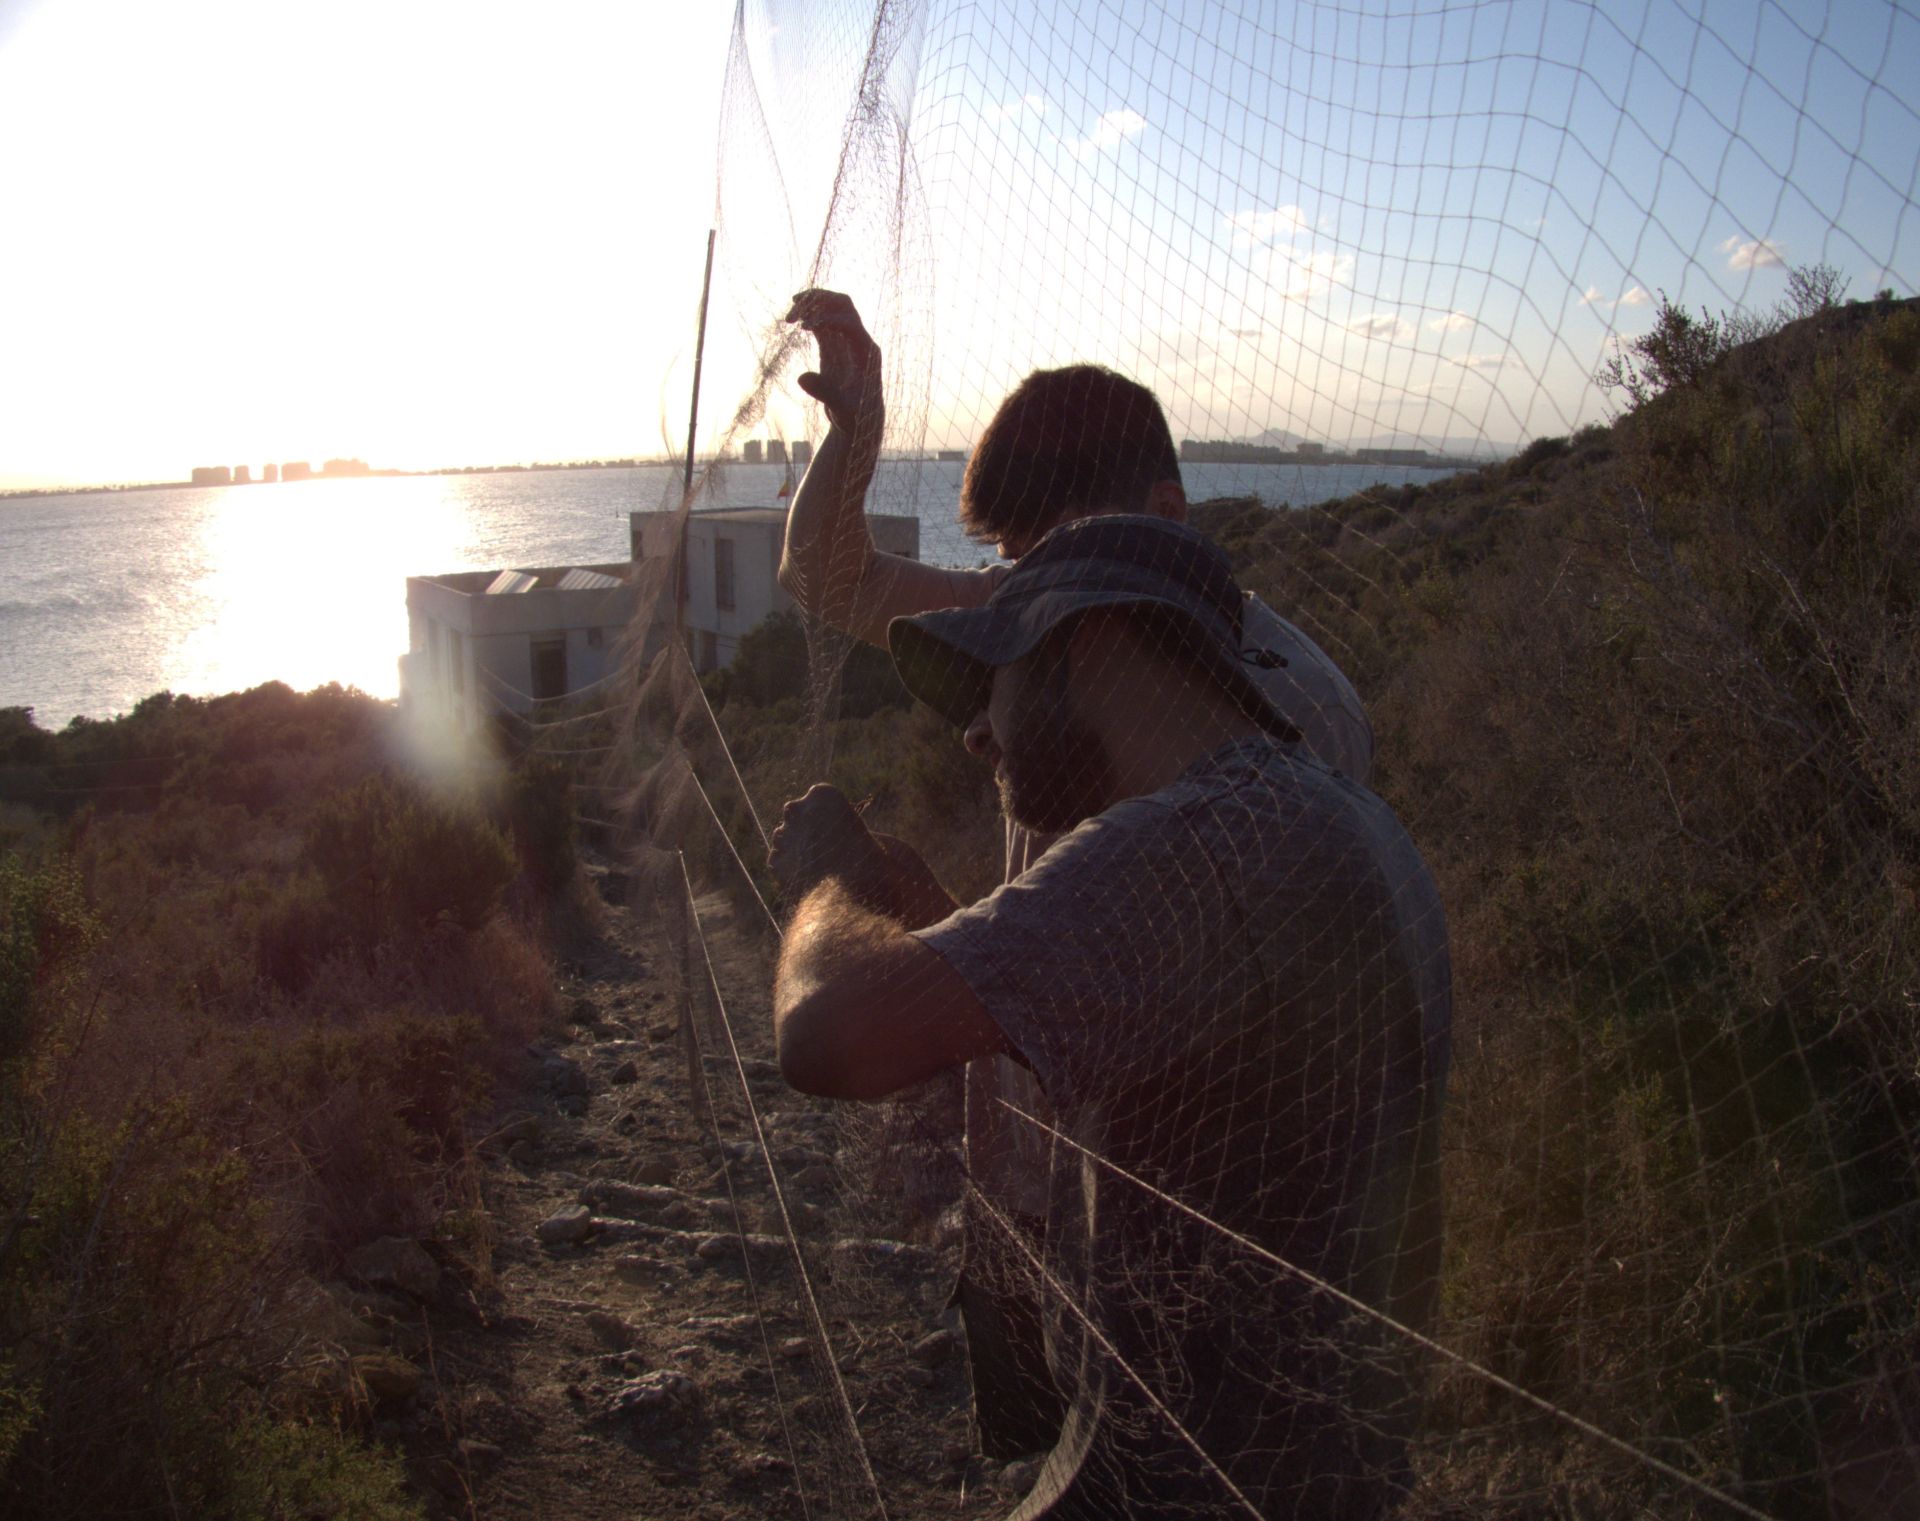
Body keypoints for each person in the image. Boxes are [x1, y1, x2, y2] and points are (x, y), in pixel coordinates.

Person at [780, 288, 1382, 1460]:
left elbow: (1214, 1014)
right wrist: (853, 436)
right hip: (1021, 1211)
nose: (1017, 593)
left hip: (1162, 1280)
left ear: (1166, 514)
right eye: (1006, 562)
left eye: (1046, 555)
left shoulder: (1293, 720)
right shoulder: (1038, 617)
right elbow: (829, 576)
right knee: (1033, 1465)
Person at [768, 515, 1451, 1518]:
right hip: (1303, 1472)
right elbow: (1154, 1037)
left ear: (1088, 643)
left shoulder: (1198, 844)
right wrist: (932, 923)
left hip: (1176, 1486)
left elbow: (824, 1032)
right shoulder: (1314, 812)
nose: (974, 732)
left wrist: (826, 886)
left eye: (996, 674)